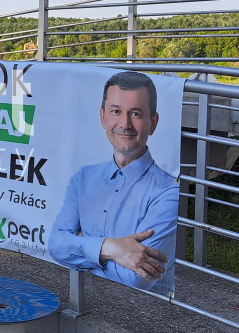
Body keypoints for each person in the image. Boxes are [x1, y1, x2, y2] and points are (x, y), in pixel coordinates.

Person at [48, 71, 179, 296]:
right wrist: (113, 248)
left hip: (143, 315)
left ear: (153, 122)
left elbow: (135, 279)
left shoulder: (168, 192)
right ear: (103, 117)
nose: (125, 124)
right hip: (85, 300)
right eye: (116, 111)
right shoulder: (83, 178)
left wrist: (82, 247)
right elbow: (56, 246)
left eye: (136, 113)